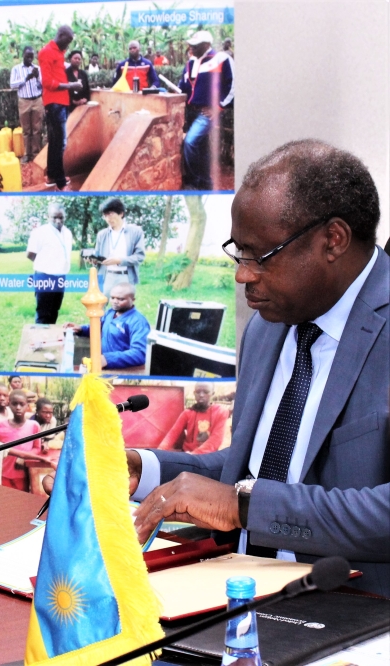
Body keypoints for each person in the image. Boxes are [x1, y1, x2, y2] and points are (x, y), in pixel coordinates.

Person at [130, 140, 389, 596]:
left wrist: (248, 508)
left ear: (334, 240)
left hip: (356, 615)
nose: (243, 275)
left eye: (260, 255)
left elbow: (250, 498)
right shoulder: (268, 326)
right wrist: (145, 470)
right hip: (236, 598)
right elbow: (256, 469)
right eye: (238, 251)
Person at [178, 30, 234, 190]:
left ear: (206, 45)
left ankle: (194, 182)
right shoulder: (191, 62)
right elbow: (183, 86)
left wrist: (218, 107)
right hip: (191, 111)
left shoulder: (221, 59)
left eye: (195, 46)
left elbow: (233, 86)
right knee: (200, 147)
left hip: (206, 113)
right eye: (190, 45)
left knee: (190, 142)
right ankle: (205, 183)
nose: (191, 48)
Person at [66, 282, 150, 369]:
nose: (115, 302)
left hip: (124, 371)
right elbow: (98, 328)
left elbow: (140, 353)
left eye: (121, 299)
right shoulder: (110, 312)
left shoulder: (138, 322)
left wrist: (108, 359)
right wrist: (81, 329)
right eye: (112, 298)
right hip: (104, 365)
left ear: (133, 300)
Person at [38, 25, 82, 189]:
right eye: (68, 41)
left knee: (55, 142)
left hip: (61, 102)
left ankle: (51, 176)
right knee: (59, 142)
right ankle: (60, 180)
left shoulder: (59, 53)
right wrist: (71, 86)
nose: (68, 45)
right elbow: (47, 82)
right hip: (54, 103)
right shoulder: (47, 52)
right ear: (61, 35)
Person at [27, 202, 75, 324]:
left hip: (60, 277)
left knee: (55, 310)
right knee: (43, 313)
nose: (58, 221)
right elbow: (30, 254)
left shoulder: (68, 232)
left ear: (65, 217)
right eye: (55, 217)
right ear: (48, 217)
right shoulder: (40, 232)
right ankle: (40, 341)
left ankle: (50, 340)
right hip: (45, 276)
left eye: (61, 217)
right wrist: (46, 264)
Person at [91, 197, 146, 297]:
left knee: (123, 308)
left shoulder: (136, 232)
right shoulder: (102, 234)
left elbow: (139, 257)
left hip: (125, 277)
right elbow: (97, 255)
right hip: (106, 276)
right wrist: (94, 261)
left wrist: (119, 261)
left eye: (111, 214)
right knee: (100, 306)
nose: (108, 218)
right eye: (105, 215)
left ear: (121, 213)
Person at [0, 390, 49, 492]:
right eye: (14, 404)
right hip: (3, 474)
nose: (18, 407)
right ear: (9, 404)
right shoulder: (0, 426)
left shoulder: (34, 426)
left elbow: (36, 448)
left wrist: (23, 458)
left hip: (23, 475)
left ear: (27, 406)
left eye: (22, 404)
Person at [157, 383, 229, 454]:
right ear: (194, 393)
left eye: (206, 392)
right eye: (198, 392)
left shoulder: (220, 412)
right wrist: (159, 451)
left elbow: (216, 440)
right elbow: (173, 434)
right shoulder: (187, 413)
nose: (201, 395)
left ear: (212, 393)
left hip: (208, 457)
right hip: (188, 453)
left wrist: (194, 454)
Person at [9, 46, 44, 162]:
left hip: (37, 100)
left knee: (37, 129)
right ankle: (26, 154)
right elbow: (12, 84)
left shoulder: (37, 68)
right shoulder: (16, 69)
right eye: (27, 56)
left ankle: (35, 153)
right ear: (23, 55)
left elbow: (43, 83)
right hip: (24, 101)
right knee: (26, 130)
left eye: (32, 57)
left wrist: (37, 76)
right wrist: (27, 78)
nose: (30, 59)